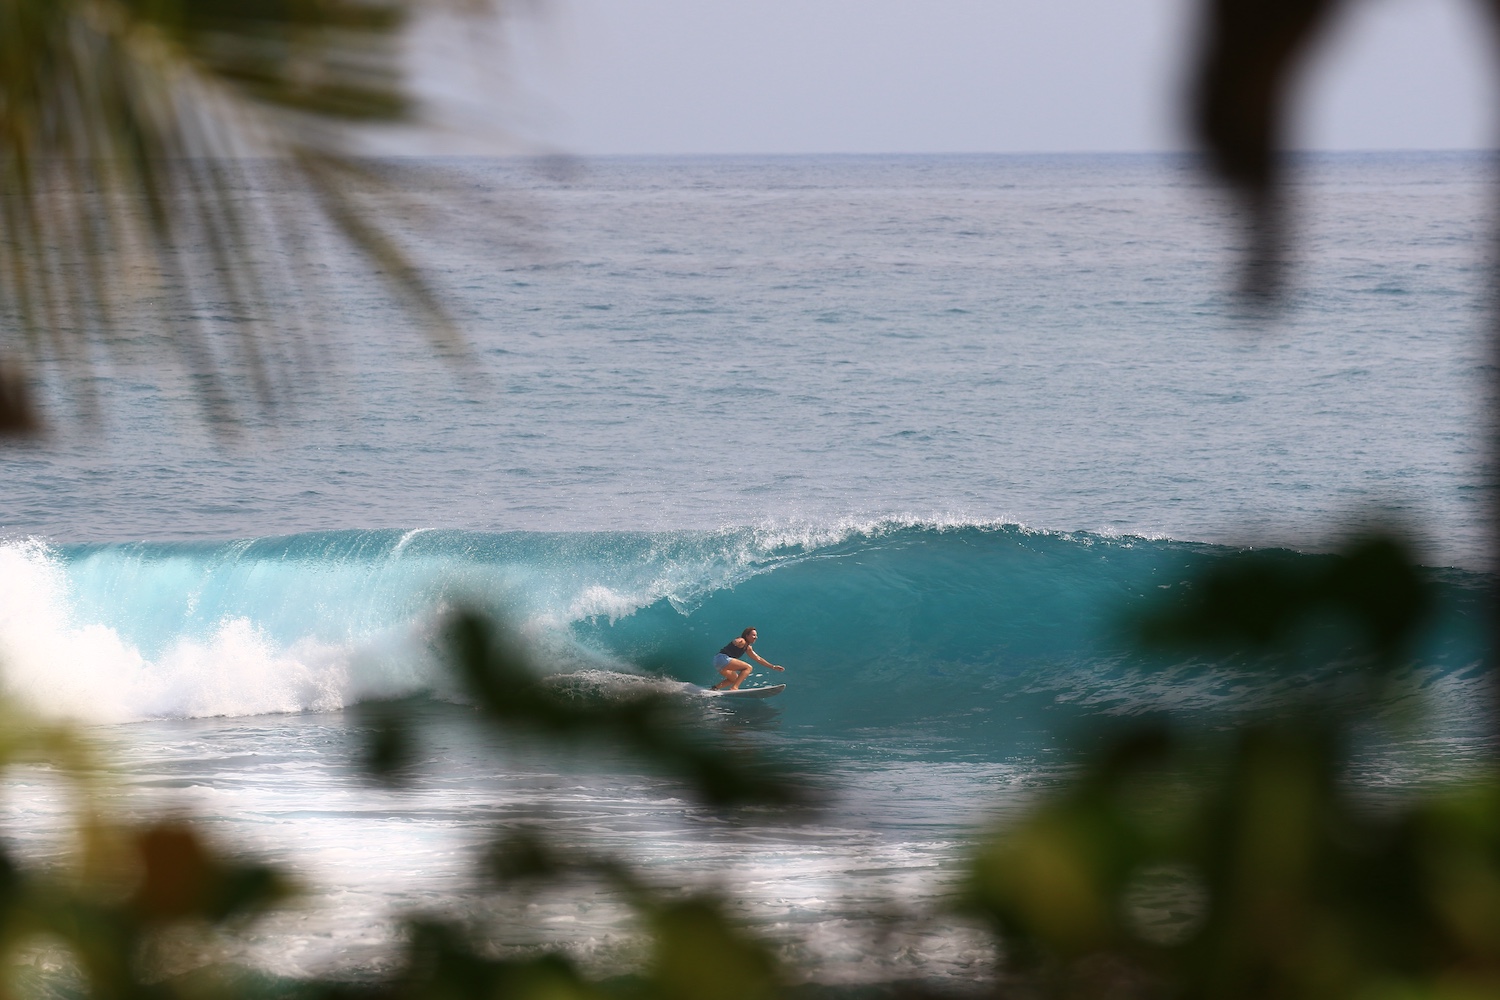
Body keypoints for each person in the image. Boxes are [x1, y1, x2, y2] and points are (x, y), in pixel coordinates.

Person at [709, 627, 784, 691]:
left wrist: (773, 666)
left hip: (717, 661)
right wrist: (736, 641)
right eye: (753, 635)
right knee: (748, 667)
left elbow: (758, 659)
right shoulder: (742, 641)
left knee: (734, 678)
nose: (756, 637)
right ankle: (735, 688)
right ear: (747, 635)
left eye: (756, 635)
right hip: (722, 658)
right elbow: (738, 641)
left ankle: (714, 688)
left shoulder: (748, 648)